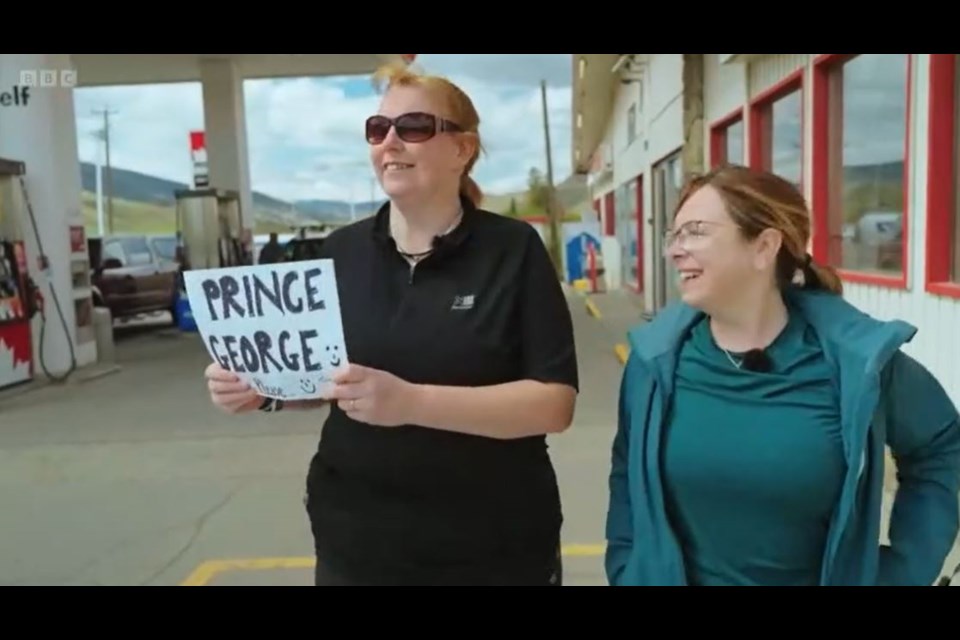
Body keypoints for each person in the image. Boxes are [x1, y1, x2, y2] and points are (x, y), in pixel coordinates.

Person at [204, 61, 579, 586]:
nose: (391, 142)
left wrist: (412, 402)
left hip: (492, 547)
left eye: (415, 127)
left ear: (462, 150)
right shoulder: (340, 252)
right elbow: (326, 379)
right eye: (379, 129)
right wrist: (262, 389)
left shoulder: (513, 250)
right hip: (357, 544)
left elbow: (553, 403)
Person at [606, 164, 960, 587]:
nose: (675, 251)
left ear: (764, 246)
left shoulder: (858, 364)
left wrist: (903, 569)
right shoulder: (654, 362)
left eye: (696, 231)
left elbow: (942, 449)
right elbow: (627, 475)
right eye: (674, 235)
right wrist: (628, 569)